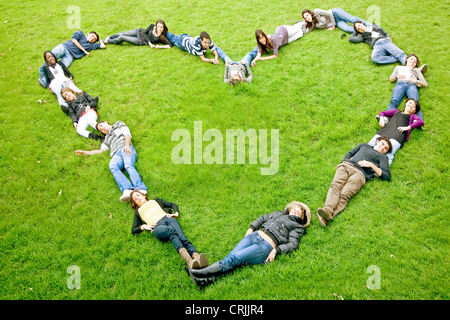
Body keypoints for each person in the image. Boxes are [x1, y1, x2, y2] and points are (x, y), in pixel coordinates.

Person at [185, 201, 311, 287]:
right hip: (254, 236)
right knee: (230, 258)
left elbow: (293, 244)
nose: (295, 211)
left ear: (301, 217)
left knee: (233, 259)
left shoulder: (297, 227)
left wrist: (275, 250)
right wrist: (251, 228)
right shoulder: (278, 213)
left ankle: (199, 273)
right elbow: (262, 218)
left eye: (298, 212)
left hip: (264, 246)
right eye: (294, 209)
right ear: (289, 209)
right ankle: (204, 281)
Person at [317, 136, 392, 228]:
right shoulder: (364, 145)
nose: (383, 147)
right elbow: (350, 153)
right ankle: (327, 210)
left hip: (360, 174)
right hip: (347, 166)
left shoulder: (382, 157)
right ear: (377, 141)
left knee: (345, 194)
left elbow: (387, 176)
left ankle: (326, 215)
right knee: (336, 185)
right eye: (382, 144)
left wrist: (371, 165)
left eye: (386, 149)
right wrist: (345, 161)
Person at [130, 191, 209, 269]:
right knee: (170, 230)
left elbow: (172, 204)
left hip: (168, 219)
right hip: (157, 226)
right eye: (135, 199)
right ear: (136, 203)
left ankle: (198, 258)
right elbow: (133, 230)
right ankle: (189, 261)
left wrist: (176, 213)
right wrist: (143, 226)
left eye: (138, 195)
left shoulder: (155, 201)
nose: (138, 198)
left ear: (143, 195)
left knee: (182, 237)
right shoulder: (138, 212)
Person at [75, 120, 147, 202]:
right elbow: (100, 151)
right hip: (116, 154)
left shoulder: (118, 124)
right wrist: (84, 152)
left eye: (101, 125)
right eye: (100, 129)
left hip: (125, 147)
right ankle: (127, 189)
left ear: (106, 122)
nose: (102, 128)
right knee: (112, 166)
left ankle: (141, 188)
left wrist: (127, 145)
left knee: (128, 165)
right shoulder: (107, 139)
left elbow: (127, 134)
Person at [39, 31, 106, 88]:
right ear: (88, 34)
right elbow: (74, 40)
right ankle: (42, 74)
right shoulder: (80, 33)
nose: (92, 38)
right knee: (50, 57)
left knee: (59, 68)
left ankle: (46, 80)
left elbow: (103, 46)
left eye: (94, 39)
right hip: (64, 47)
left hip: (70, 56)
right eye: (92, 36)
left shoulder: (91, 45)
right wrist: (84, 51)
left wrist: (99, 39)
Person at [370, 99, 423, 165]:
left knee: (389, 152)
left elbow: (420, 122)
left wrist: (407, 127)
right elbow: (382, 113)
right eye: (410, 103)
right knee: (371, 145)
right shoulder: (396, 111)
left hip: (397, 136)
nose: (410, 106)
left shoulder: (412, 116)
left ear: (414, 111)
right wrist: (381, 119)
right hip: (385, 131)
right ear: (406, 103)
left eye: (413, 106)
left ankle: (383, 169)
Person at [387, 54, 428, 121]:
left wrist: (415, 80)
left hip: (411, 85)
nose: (412, 62)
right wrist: (397, 76)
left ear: (415, 65)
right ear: (407, 59)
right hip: (400, 84)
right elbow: (391, 79)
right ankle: (387, 119)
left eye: (414, 62)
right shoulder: (398, 67)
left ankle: (418, 121)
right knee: (394, 101)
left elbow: (425, 84)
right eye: (411, 59)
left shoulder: (416, 70)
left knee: (415, 103)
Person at [104, 19, 172, 48]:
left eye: (161, 27)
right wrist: (150, 43)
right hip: (138, 31)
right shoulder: (152, 26)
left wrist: (159, 47)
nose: (159, 29)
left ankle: (108, 41)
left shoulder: (161, 36)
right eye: (158, 27)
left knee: (122, 37)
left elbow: (170, 45)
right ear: (156, 26)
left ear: (163, 28)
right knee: (122, 33)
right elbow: (144, 33)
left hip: (141, 41)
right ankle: (109, 37)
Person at [302, 8, 369, 33]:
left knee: (352, 19)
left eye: (307, 15)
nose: (307, 18)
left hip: (335, 13)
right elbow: (305, 31)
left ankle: (370, 26)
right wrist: (303, 24)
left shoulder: (316, 11)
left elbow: (329, 14)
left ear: (310, 13)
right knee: (347, 29)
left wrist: (333, 26)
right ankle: (365, 31)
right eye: (305, 18)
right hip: (337, 22)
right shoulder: (313, 25)